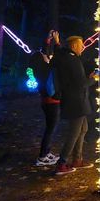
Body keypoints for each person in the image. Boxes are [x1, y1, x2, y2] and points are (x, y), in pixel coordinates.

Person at [53, 35, 97, 175]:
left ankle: (77, 159)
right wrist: (93, 79)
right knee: (74, 132)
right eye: (80, 45)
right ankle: (62, 163)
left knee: (83, 128)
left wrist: (57, 43)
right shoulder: (73, 60)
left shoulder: (64, 57)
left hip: (73, 101)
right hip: (76, 102)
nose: (83, 47)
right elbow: (81, 84)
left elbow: (59, 54)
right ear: (73, 46)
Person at [28, 30, 61, 167]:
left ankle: (46, 152)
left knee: (50, 127)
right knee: (51, 128)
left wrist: (48, 40)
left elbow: (45, 52)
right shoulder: (44, 69)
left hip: (47, 100)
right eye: (44, 56)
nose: (47, 57)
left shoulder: (40, 66)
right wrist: (57, 42)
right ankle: (42, 156)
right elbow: (58, 58)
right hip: (51, 100)